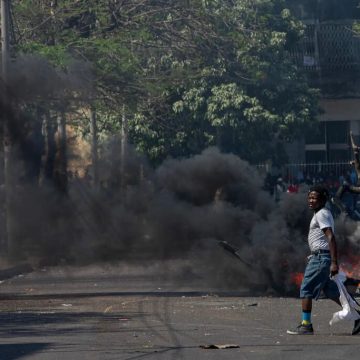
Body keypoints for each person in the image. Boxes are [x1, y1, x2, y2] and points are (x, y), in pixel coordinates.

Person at [287, 184, 360, 335]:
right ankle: (359, 316)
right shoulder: (321, 213)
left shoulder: (322, 214)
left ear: (323, 199)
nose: (311, 200)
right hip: (321, 257)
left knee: (306, 288)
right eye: (309, 197)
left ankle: (306, 325)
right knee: (332, 291)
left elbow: (331, 238)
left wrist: (334, 262)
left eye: (314, 198)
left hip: (321, 258)